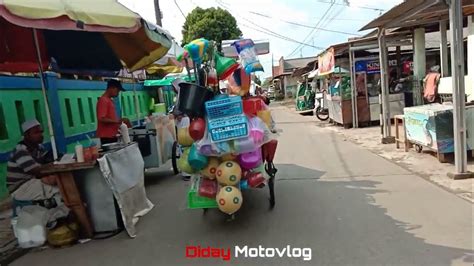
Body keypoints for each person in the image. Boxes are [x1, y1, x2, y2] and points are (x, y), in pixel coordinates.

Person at [7, 119, 59, 203]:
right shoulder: (21, 150)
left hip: (32, 182)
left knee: (61, 183)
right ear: (27, 135)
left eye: (41, 132)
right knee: (59, 189)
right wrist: (56, 164)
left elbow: (44, 164)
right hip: (20, 188)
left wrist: (55, 163)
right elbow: (37, 171)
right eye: (36, 133)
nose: (41, 135)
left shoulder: (39, 148)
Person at [96, 79, 130, 145]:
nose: (118, 93)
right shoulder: (103, 100)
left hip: (112, 135)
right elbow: (101, 118)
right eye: (117, 91)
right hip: (106, 136)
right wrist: (117, 121)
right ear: (112, 88)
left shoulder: (109, 100)